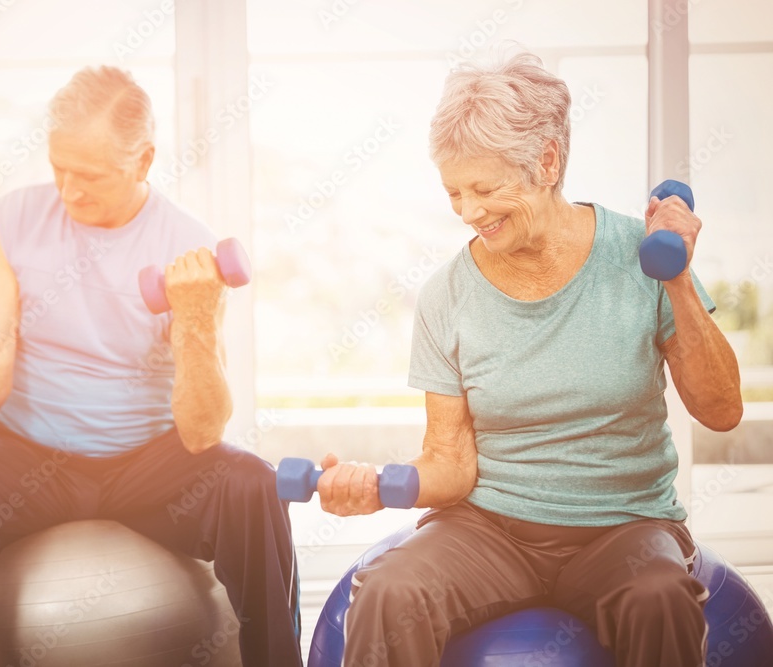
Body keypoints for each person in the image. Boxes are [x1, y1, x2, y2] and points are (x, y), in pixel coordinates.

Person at [0, 66, 302, 666]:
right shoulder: (12, 222)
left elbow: (202, 431)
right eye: (58, 168)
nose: (69, 190)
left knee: (253, 486)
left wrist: (194, 317)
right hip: (27, 459)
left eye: (89, 176)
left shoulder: (187, 245)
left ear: (143, 162)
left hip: (151, 465)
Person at [316, 51, 743, 667]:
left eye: (485, 189)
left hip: (623, 526)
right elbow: (450, 463)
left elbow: (723, 410)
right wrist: (376, 486)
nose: (468, 212)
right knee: (389, 588)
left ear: (546, 162)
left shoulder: (639, 255)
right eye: (454, 192)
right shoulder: (447, 294)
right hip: (488, 528)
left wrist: (676, 279)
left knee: (660, 595)